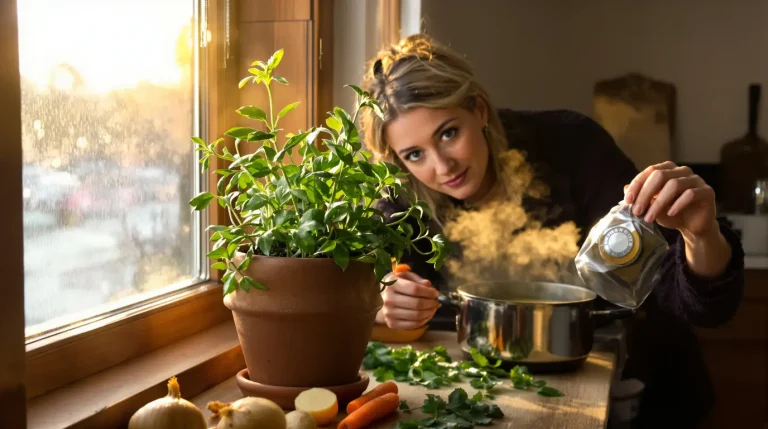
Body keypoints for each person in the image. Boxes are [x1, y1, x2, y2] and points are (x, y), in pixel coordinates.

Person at [359, 34, 744, 428]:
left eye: (448, 133)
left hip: (642, 392)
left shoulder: (571, 144)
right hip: (493, 401)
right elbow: (375, 301)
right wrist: (386, 300)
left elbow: (703, 306)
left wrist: (701, 235)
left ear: (478, 110)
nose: (442, 167)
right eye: (414, 155)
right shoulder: (400, 201)